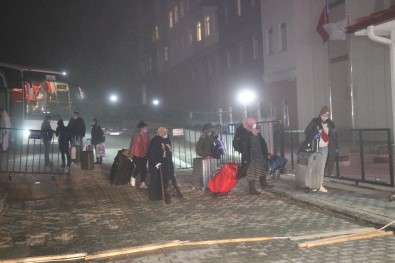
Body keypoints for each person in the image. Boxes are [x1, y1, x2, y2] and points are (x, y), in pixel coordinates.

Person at [299, 106, 336, 192]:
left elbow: (332, 136)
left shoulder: (330, 124)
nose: (325, 117)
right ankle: (313, 184)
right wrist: (316, 131)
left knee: (322, 167)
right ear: (320, 114)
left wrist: (335, 147)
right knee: (314, 166)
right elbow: (307, 131)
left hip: (325, 147)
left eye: (327, 115)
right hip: (315, 147)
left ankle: (320, 185)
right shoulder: (315, 121)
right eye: (323, 115)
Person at [234, 116, 272, 195]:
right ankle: (252, 189)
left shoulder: (255, 130)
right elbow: (238, 143)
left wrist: (265, 151)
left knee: (262, 169)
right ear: (248, 122)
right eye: (252, 123)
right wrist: (243, 151)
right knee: (251, 171)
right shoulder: (242, 130)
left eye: (254, 123)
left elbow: (261, 141)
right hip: (250, 155)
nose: (254, 124)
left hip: (259, 153)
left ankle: (264, 184)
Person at [148, 127, 173, 203]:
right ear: (161, 133)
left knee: (165, 180)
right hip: (157, 164)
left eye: (167, 132)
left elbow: (168, 150)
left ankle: (162, 193)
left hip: (165, 164)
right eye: (165, 132)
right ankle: (155, 195)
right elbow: (152, 153)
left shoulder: (165, 140)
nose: (166, 134)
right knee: (156, 180)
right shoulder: (155, 141)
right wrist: (156, 163)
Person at [129, 121, 150, 189]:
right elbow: (132, 144)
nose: (146, 129)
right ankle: (133, 177)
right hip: (136, 154)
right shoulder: (136, 135)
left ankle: (142, 183)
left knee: (144, 169)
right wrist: (130, 153)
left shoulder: (147, 135)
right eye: (145, 128)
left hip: (144, 154)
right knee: (138, 167)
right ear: (141, 128)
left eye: (147, 128)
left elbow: (148, 144)